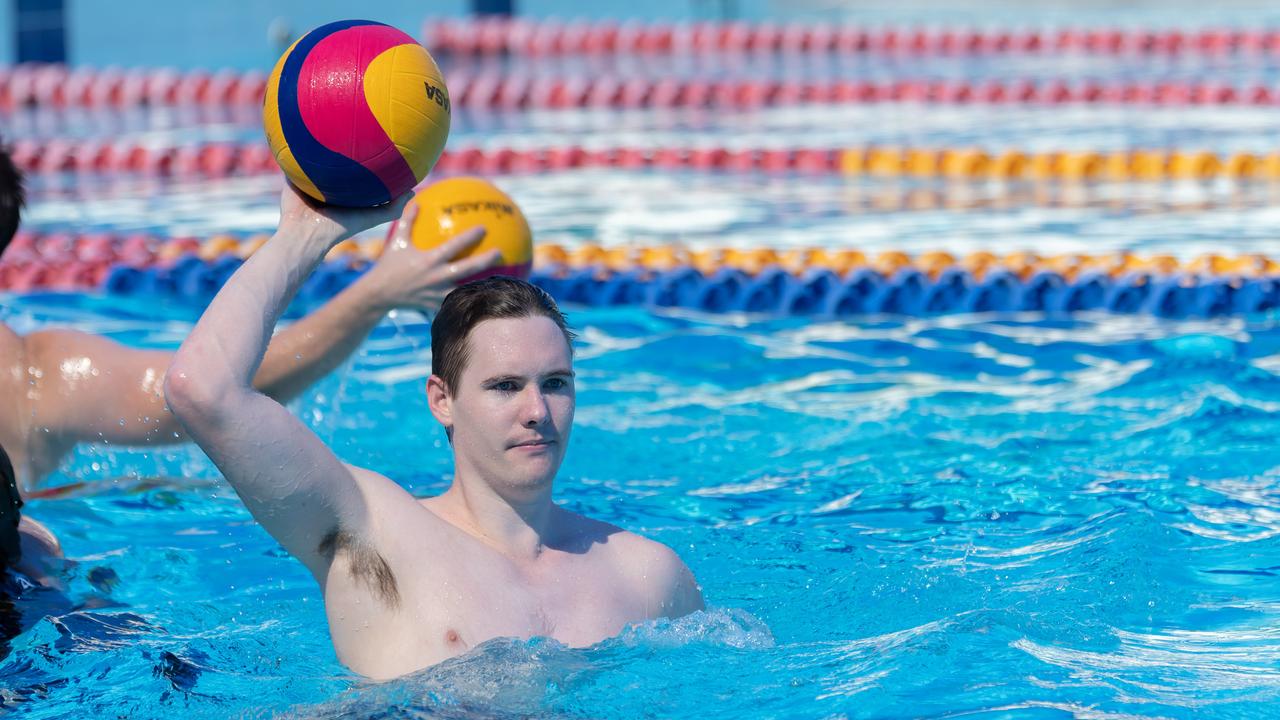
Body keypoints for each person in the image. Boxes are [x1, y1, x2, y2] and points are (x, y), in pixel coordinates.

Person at [165, 185, 704, 679]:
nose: (537, 409)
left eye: (556, 383)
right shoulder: (374, 530)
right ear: (442, 401)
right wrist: (306, 233)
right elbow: (203, 390)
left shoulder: (649, 575)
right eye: (505, 386)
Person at [0, 147, 495, 592]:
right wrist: (371, 293)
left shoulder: (37, 374)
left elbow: (204, 394)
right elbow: (206, 394)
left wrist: (372, 292)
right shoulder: (30, 373)